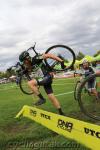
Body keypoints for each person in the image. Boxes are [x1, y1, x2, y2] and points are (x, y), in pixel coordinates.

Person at [19, 50, 66, 115]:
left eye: (24, 61)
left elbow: (49, 55)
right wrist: (25, 71)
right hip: (45, 80)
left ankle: (42, 99)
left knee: (30, 83)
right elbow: (29, 72)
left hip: (47, 77)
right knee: (51, 97)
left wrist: (61, 61)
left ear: (27, 58)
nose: (24, 63)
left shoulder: (36, 58)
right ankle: (61, 113)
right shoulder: (29, 65)